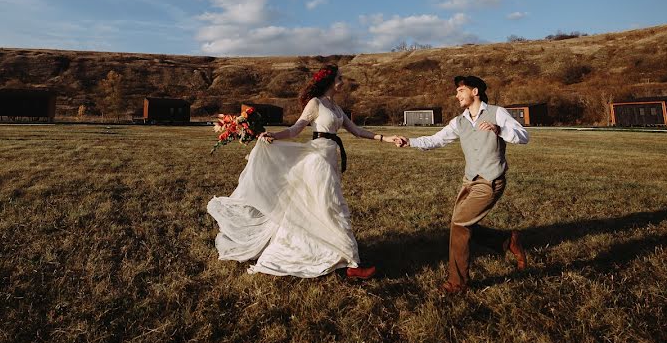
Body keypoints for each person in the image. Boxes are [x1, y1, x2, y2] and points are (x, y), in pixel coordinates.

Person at [207, 64, 392, 279]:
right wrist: (274, 135)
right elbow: (296, 129)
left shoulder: (336, 108)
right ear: (330, 81)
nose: (343, 81)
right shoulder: (315, 104)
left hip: (330, 159)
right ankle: (351, 265)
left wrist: (386, 138)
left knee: (323, 209)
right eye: (340, 77)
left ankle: (331, 256)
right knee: (334, 208)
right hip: (318, 160)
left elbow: (357, 131)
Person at [391, 75, 529, 294]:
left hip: (491, 181)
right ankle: (507, 241)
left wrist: (499, 130)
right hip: (469, 181)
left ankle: (457, 283)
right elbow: (437, 139)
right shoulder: (459, 121)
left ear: (475, 92)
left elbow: (523, 136)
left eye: (461, 90)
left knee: (459, 225)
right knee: (465, 226)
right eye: (457, 92)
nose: (457, 95)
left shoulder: (497, 112)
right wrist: (410, 142)